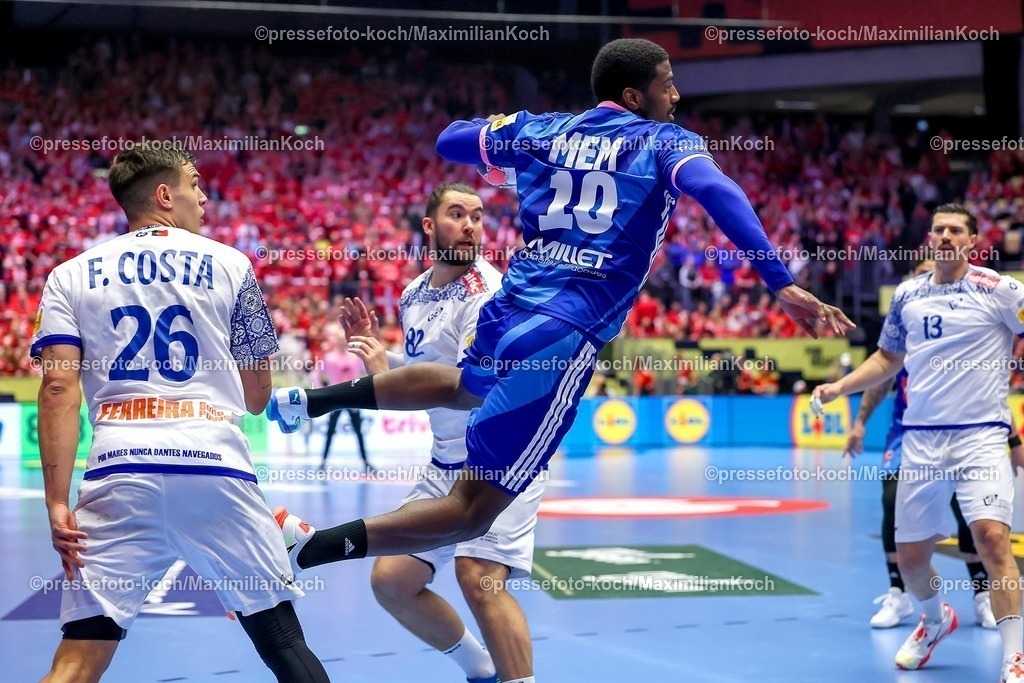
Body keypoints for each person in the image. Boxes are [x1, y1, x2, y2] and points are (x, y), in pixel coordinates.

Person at [266, 41, 852, 681]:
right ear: (636, 96)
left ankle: (313, 414)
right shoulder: (661, 140)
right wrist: (779, 280)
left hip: (509, 308)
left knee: (466, 384)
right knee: (473, 516)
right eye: (668, 83)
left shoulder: (542, 130)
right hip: (562, 332)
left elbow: (451, 140)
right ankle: (315, 544)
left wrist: (509, 138)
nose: (676, 95)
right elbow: (717, 188)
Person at [33, 143, 329, 683]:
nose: (204, 197)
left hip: (117, 470)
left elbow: (57, 389)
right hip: (214, 467)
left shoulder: (68, 275)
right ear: (166, 195)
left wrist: (56, 504)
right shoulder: (233, 264)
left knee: (80, 652)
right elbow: (257, 396)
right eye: (195, 184)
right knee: (282, 640)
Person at [330, 182, 542, 683]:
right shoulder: (412, 294)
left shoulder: (488, 293)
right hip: (445, 461)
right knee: (392, 581)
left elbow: (468, 386)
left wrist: (382, 387)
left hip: (500, 458)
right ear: (429, 226)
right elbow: (427, 371)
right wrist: (385, 366)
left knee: (480, 577)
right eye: (456, 214)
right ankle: (481, 670)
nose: (470, 225)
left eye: (477, 216)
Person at [815, 204, 1024, 680]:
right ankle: (934, 621)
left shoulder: (1002, 290)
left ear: (973, 241)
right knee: (911, 560)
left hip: (981, 437)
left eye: (957, 231)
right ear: (929, 238)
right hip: (922, 441)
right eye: (939, 230)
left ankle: (1015, 654)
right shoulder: (908, 295)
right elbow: (887, 359)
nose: (946, 236)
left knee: (993, 540)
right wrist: (838, 388)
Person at [846, 262, 996, 630]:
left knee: (968, 509)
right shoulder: (908, 323)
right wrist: (860, 421)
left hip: (960, 431)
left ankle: (981, 593)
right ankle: (898, 595)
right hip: (908, 434)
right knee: (890, 501)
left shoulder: (968, 321)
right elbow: (882, 377)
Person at [317, 323, 371, 471]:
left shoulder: (355, 358)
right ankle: (323, 461)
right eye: (339, 340)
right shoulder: (329, 358)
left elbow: (366, 372)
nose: (341, 343)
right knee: (330, 431)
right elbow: (319, 375)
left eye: (343, 340)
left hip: (352, 398)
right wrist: (325, 393)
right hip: (336, 397)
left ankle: (365, 461)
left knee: (358, 431)